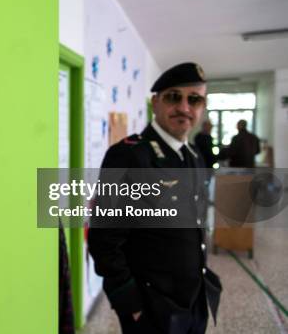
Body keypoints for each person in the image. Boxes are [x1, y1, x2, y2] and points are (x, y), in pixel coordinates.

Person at [88, 62, 222, 334]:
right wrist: (130, 303)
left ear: (202, 108)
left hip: (194, 298)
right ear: (155, 102)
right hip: (152, 308)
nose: (184, 108)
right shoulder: (129, 156)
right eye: (174, 97)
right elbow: (104, 239)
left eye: (194, 100)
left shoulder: (194, 157)